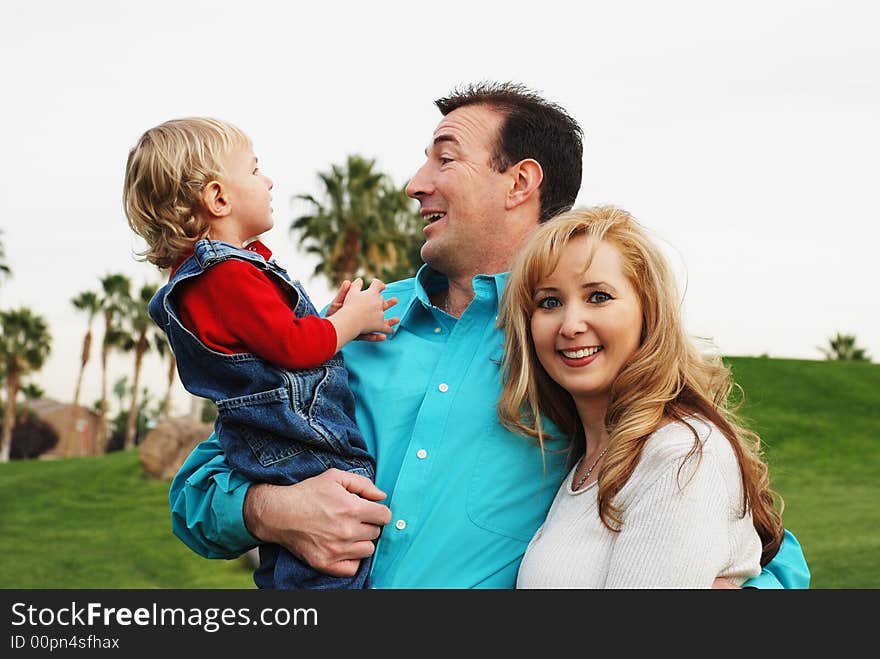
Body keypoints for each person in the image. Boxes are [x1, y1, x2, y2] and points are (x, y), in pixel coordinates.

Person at [168, 83, 810, 588]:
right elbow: (197, 489)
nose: (415, 183)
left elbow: (739, 523)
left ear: (520, 183)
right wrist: (271, 512)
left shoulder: (579, 352)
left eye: (444, 158)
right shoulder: (353, 322)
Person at [123, 117, 397, 589]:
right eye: (254, 170)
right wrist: (352, 321)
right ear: (218, 198)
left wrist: (327, 321)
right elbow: (295, 347)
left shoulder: (204, 280)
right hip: (297, 437)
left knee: (295, 567)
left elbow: (277, 343)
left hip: (264, 440)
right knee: (332, 563)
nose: (267, 181)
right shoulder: (229, 274)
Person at [499, 205, 786, 588]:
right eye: (550, 302)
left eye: (598, 296)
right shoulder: (584, 461)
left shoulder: (681, 454)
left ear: (647, 311)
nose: (570, 325)